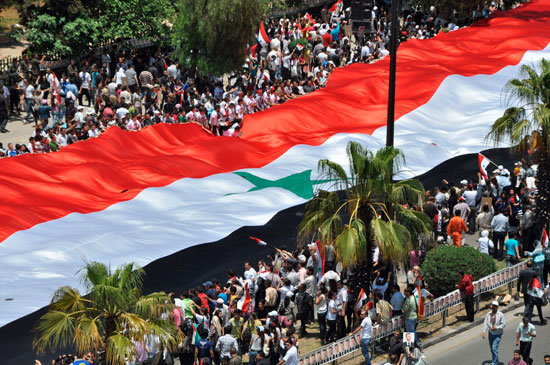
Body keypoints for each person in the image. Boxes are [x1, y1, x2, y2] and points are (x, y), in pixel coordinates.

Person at [482, 301, 506, 365]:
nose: (493, 307)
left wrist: (497, 328)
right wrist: (484, 331)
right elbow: (486, 323)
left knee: (494, 347)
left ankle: (494, 362)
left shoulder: (500, 314)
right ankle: (496, 360)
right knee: (492, 349)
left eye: (495, 306)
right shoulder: (488, 314)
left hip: (498, 334)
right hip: (490, 333)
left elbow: (503, 324)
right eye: (493, 306)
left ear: (497, 307)